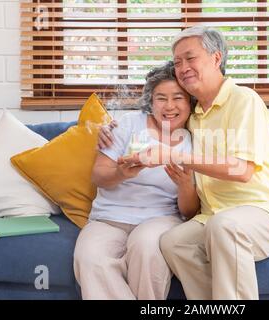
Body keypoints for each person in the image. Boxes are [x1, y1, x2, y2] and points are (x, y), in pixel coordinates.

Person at [99, 26, 269, 300]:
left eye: (190, 58)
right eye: (178, 61)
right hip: (213, 216)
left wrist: (173, 155)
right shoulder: (193, 115)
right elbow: (154, 111)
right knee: (173, 242)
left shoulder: (244, 100)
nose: (182, 67)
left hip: (263, 212)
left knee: (225, 225)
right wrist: (108, 126)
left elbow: (242, 170)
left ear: (216, 59)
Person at [73, 61, 200, 300]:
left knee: (147, 248)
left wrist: (185, 185)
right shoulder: (128, 124)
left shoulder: (196, 138)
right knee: (89, 257)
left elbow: (190, 212)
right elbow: (98, 176)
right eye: (161, 98)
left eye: (178, 98)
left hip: (161, 218)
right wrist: (121, 173)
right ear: (150, 102)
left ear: (190, 102)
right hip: (109, 218)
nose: (169, 106)